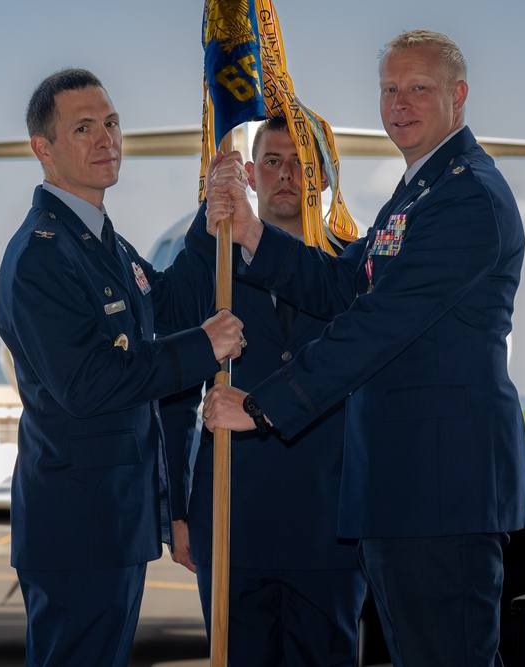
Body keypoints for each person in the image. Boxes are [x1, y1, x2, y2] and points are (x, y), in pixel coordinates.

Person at [201, 30, 525, 666]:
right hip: (402, 486)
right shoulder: (419, 191)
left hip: (441, 490)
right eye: (389, 89)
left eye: (418, 89)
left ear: (458, 97)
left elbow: (380, 321)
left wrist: (265, 407)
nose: (400, 103)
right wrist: (251, 234)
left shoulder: (467, 196)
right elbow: (345, 282)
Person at [0, 67, 245, 667]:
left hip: (113, 524)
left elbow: (166, 303)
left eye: (110, 123)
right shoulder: (41, 256)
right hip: (79, 528)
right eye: (84, 128)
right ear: (43, 149)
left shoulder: (101, 242)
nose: (107, 138)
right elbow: (88, 384)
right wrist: (201, 349)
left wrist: (209, 218)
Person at [162, 117, 367, 666]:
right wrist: (178, 511)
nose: (287, 175)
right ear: (250, 173)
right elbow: (174, 384)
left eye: (302, 163)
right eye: (273, 161)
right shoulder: (214, 257)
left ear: (324, 177)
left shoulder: (356, 264)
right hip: (233, 519)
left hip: (330, 526)